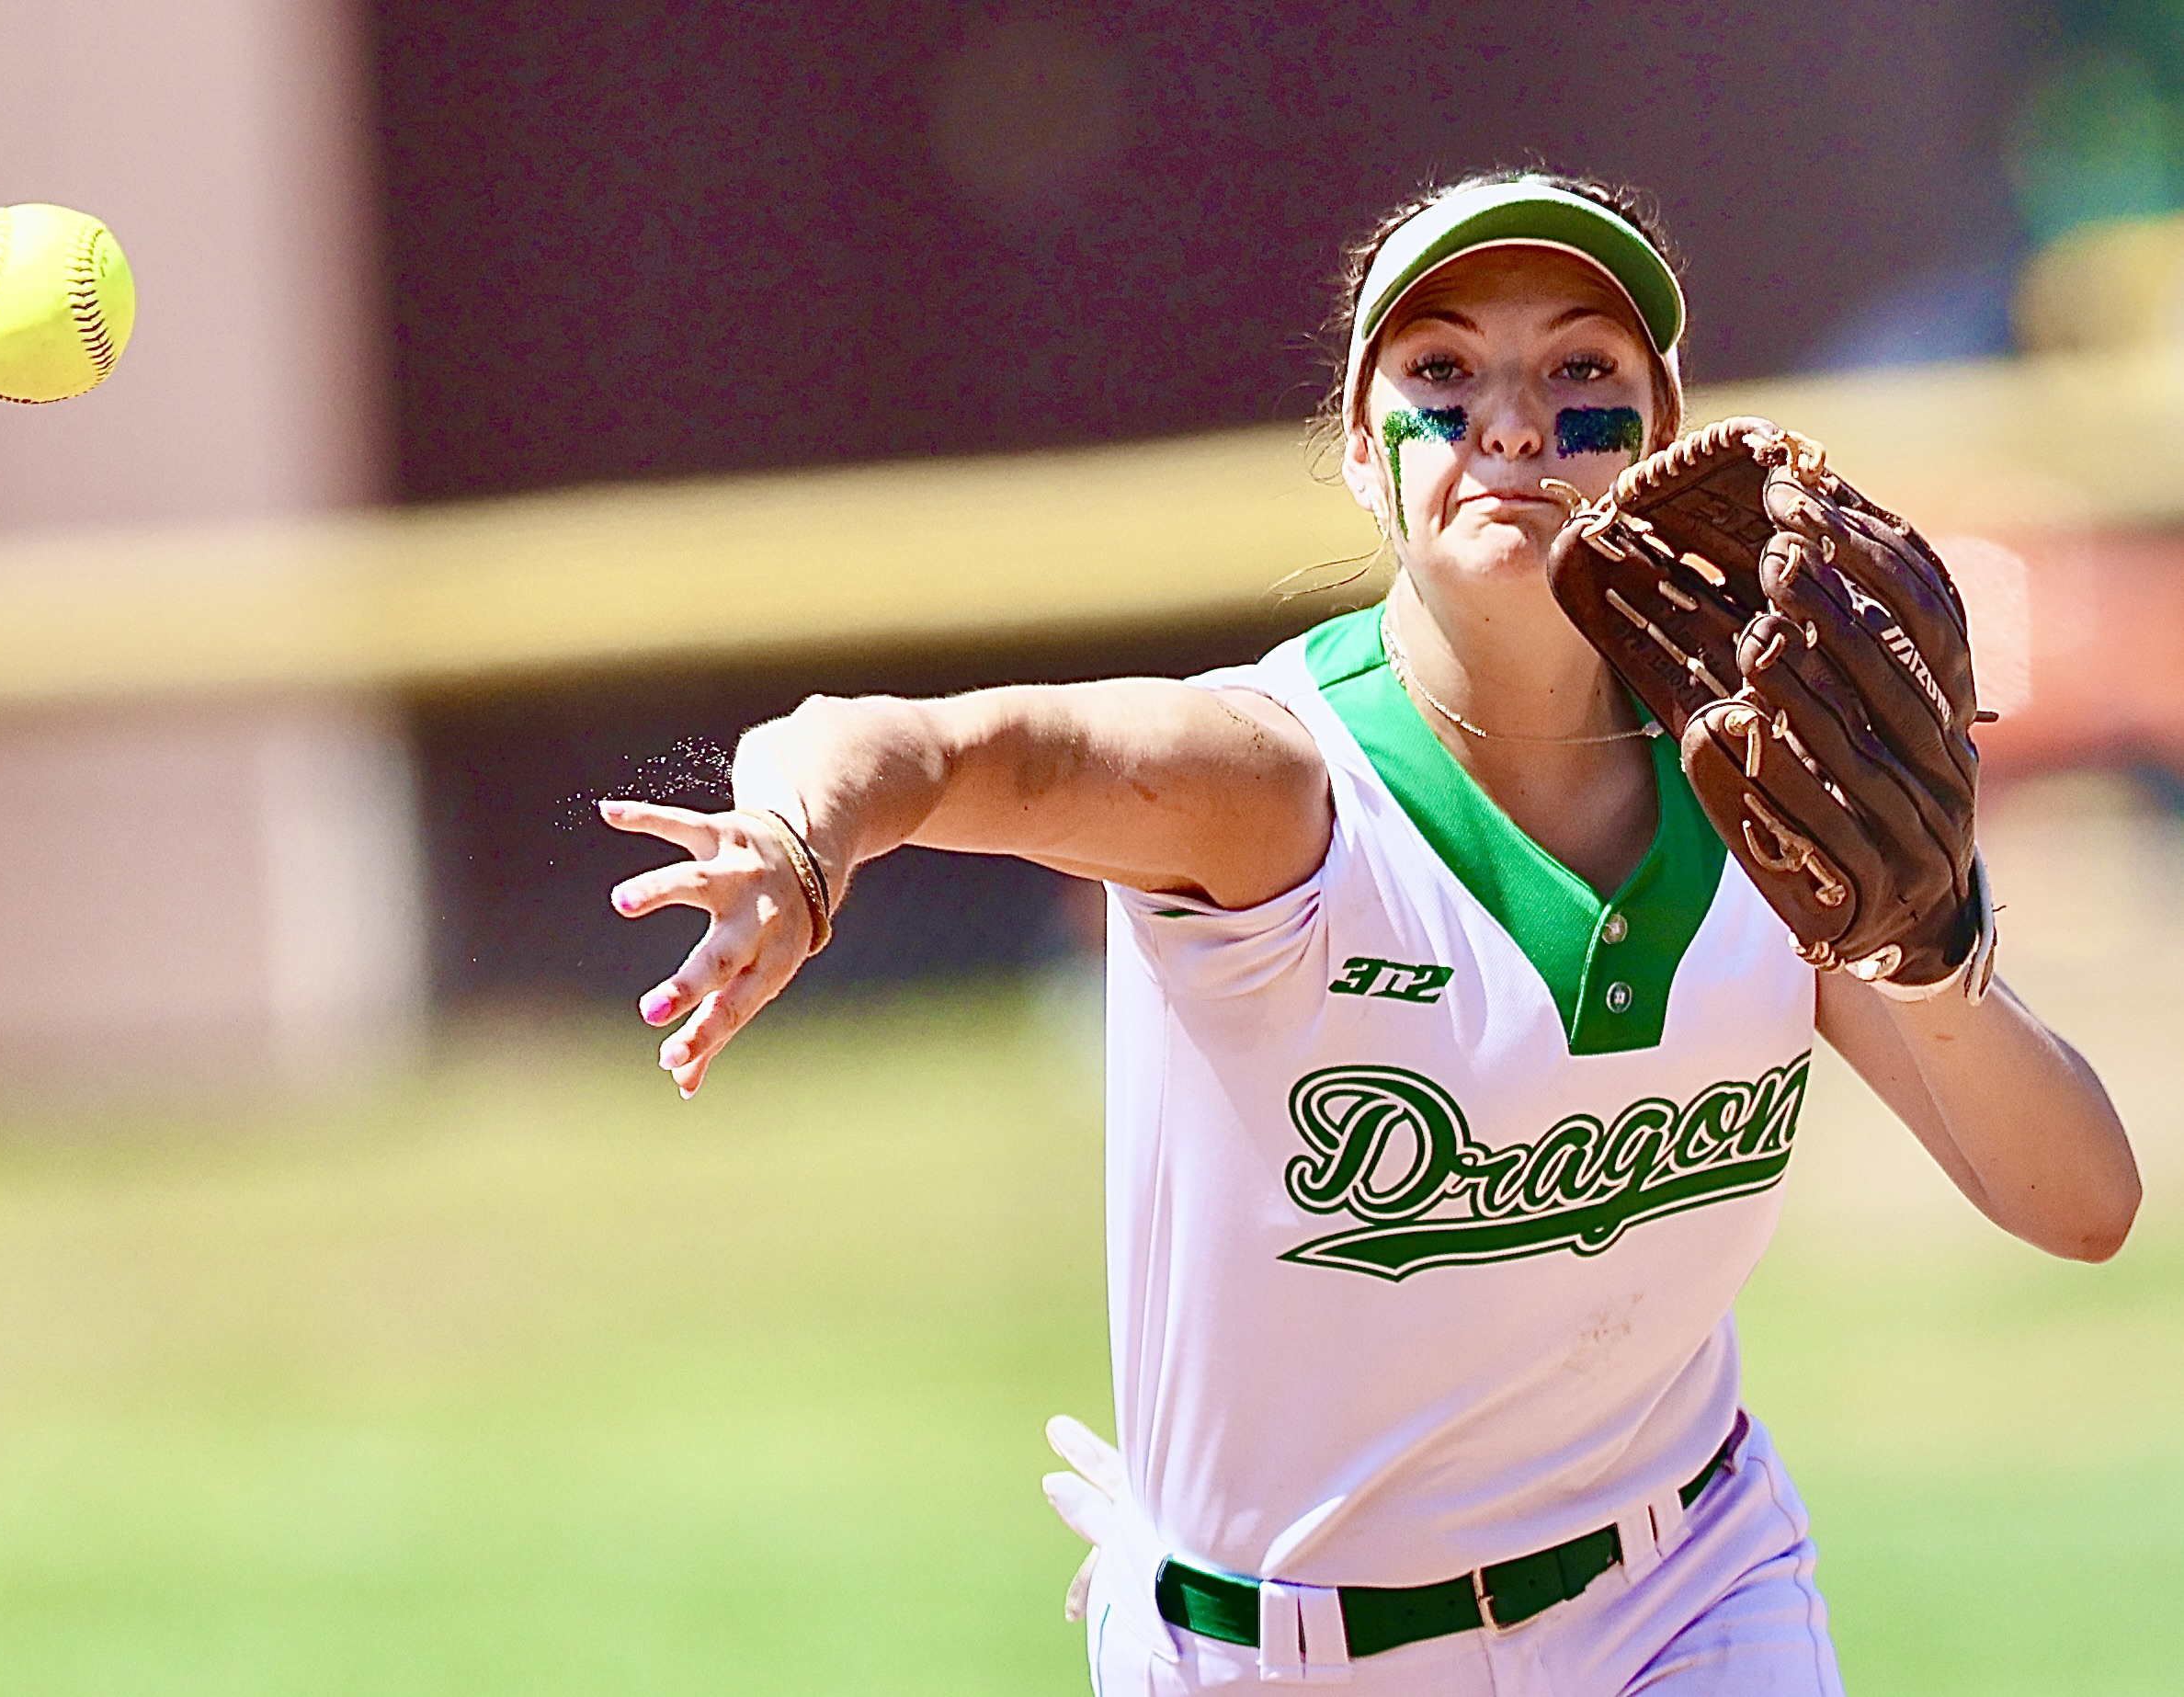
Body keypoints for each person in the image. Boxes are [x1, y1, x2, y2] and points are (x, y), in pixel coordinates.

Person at [600, 172, 2140, 1695]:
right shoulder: (1276, 785)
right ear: (1361, 449)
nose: (1516, 422)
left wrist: (1928, 955)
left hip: (1687, 1593)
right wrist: (804, 836)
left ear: (1661, 435)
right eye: (1445, 373)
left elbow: (2078, 1202)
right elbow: (933, 745)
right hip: (1273, 1650)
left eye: (1581, 372)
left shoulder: (1767, 782)